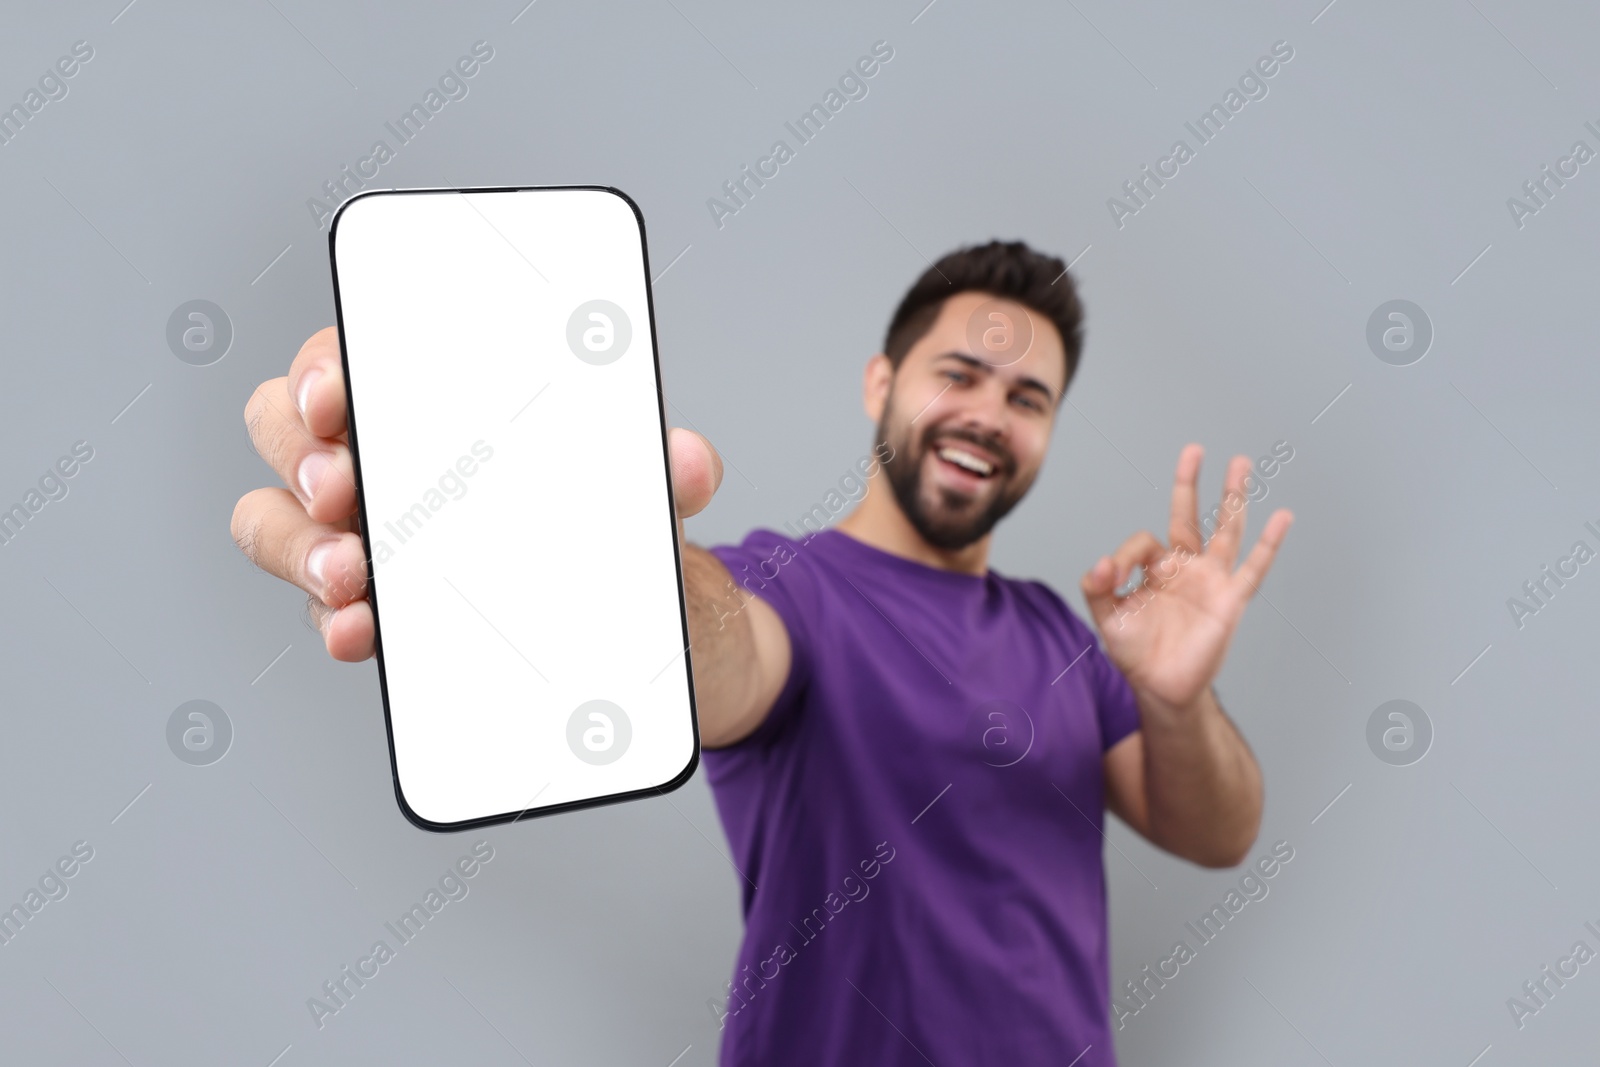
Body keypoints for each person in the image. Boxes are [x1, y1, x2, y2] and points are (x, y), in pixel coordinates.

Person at [232, 239, 1292, 1065]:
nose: (988, 415)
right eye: (960, 374)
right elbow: (720, 652)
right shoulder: (788, 584)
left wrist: (1177, 698)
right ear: (881, 380)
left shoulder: (1066, 631)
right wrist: (590, 529)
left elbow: (1217, 832)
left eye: (1027, 398)